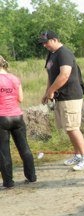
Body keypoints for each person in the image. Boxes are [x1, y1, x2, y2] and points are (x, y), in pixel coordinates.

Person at [39, 30, 84, 171]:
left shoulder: (64, 53)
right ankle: (78, 155)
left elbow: (65, 75)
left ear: (55, 39)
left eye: (46, 42)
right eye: (43, 43)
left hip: (71, 95)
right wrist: (47, 92)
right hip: (61, 96)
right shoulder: (51, 54)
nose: (44, 45)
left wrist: (51, 91)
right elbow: (51, 76)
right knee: (68, 128)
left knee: (73, 127)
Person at [0, 55, 36, 189]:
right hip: (17, 116)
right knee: (24, 147)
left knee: (3, 151)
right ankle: (32, 177)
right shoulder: (15, 78)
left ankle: (8, 182)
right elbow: (20, 98)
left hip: (2, 118)